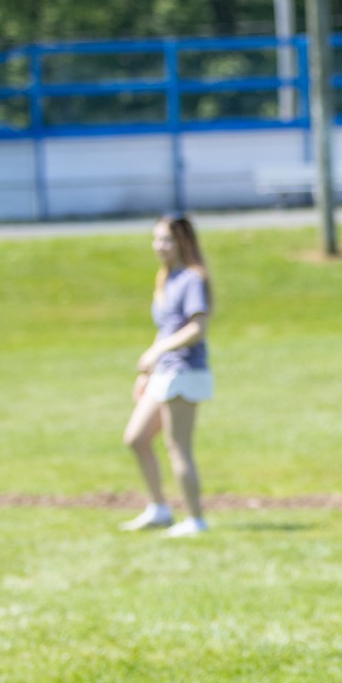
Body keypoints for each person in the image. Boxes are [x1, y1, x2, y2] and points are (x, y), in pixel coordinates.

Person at [120, 213, 214, 538]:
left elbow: (196, 328)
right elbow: (167, 329)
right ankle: (159, 509)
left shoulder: (192, 278)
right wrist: (149, 370)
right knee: (136, 438)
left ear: (184, 242)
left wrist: (158, 353)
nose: (159, 246)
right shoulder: (167, 278)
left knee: (178, 447)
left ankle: (195, 520)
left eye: (167, 239)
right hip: (165, 371)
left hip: (185, 371)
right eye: (157, 239)